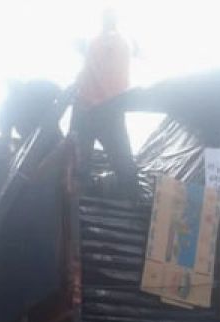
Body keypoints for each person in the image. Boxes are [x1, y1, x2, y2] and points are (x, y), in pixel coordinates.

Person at [71, 8, 138, 198]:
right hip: (107, 110)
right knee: (126, 171)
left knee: (78, 169)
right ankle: (130, 197)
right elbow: (118, 84)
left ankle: (78, 202)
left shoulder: (97, 43)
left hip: (87, 108)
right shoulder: (121, 44)